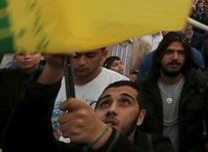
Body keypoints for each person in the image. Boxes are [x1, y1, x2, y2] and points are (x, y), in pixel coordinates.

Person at [4, 55, 173, 152]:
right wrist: (54, 68)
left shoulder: (157, 146)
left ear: (140, 117)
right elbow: (22, 140)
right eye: (104, 103)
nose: (112, 110)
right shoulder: (78, 150)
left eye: (125, 102)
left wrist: (101, 135)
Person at [139, 32, 208, 152]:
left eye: (181, 53)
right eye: (169, 52)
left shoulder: (202, 86)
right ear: (159, 55)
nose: (175, 57)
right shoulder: (144, 88)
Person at [52, 48, 129, 138]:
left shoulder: (121, 85)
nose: (82, 62)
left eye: (90, 56)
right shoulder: (54, 84)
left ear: (104, 55)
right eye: (76, 56)